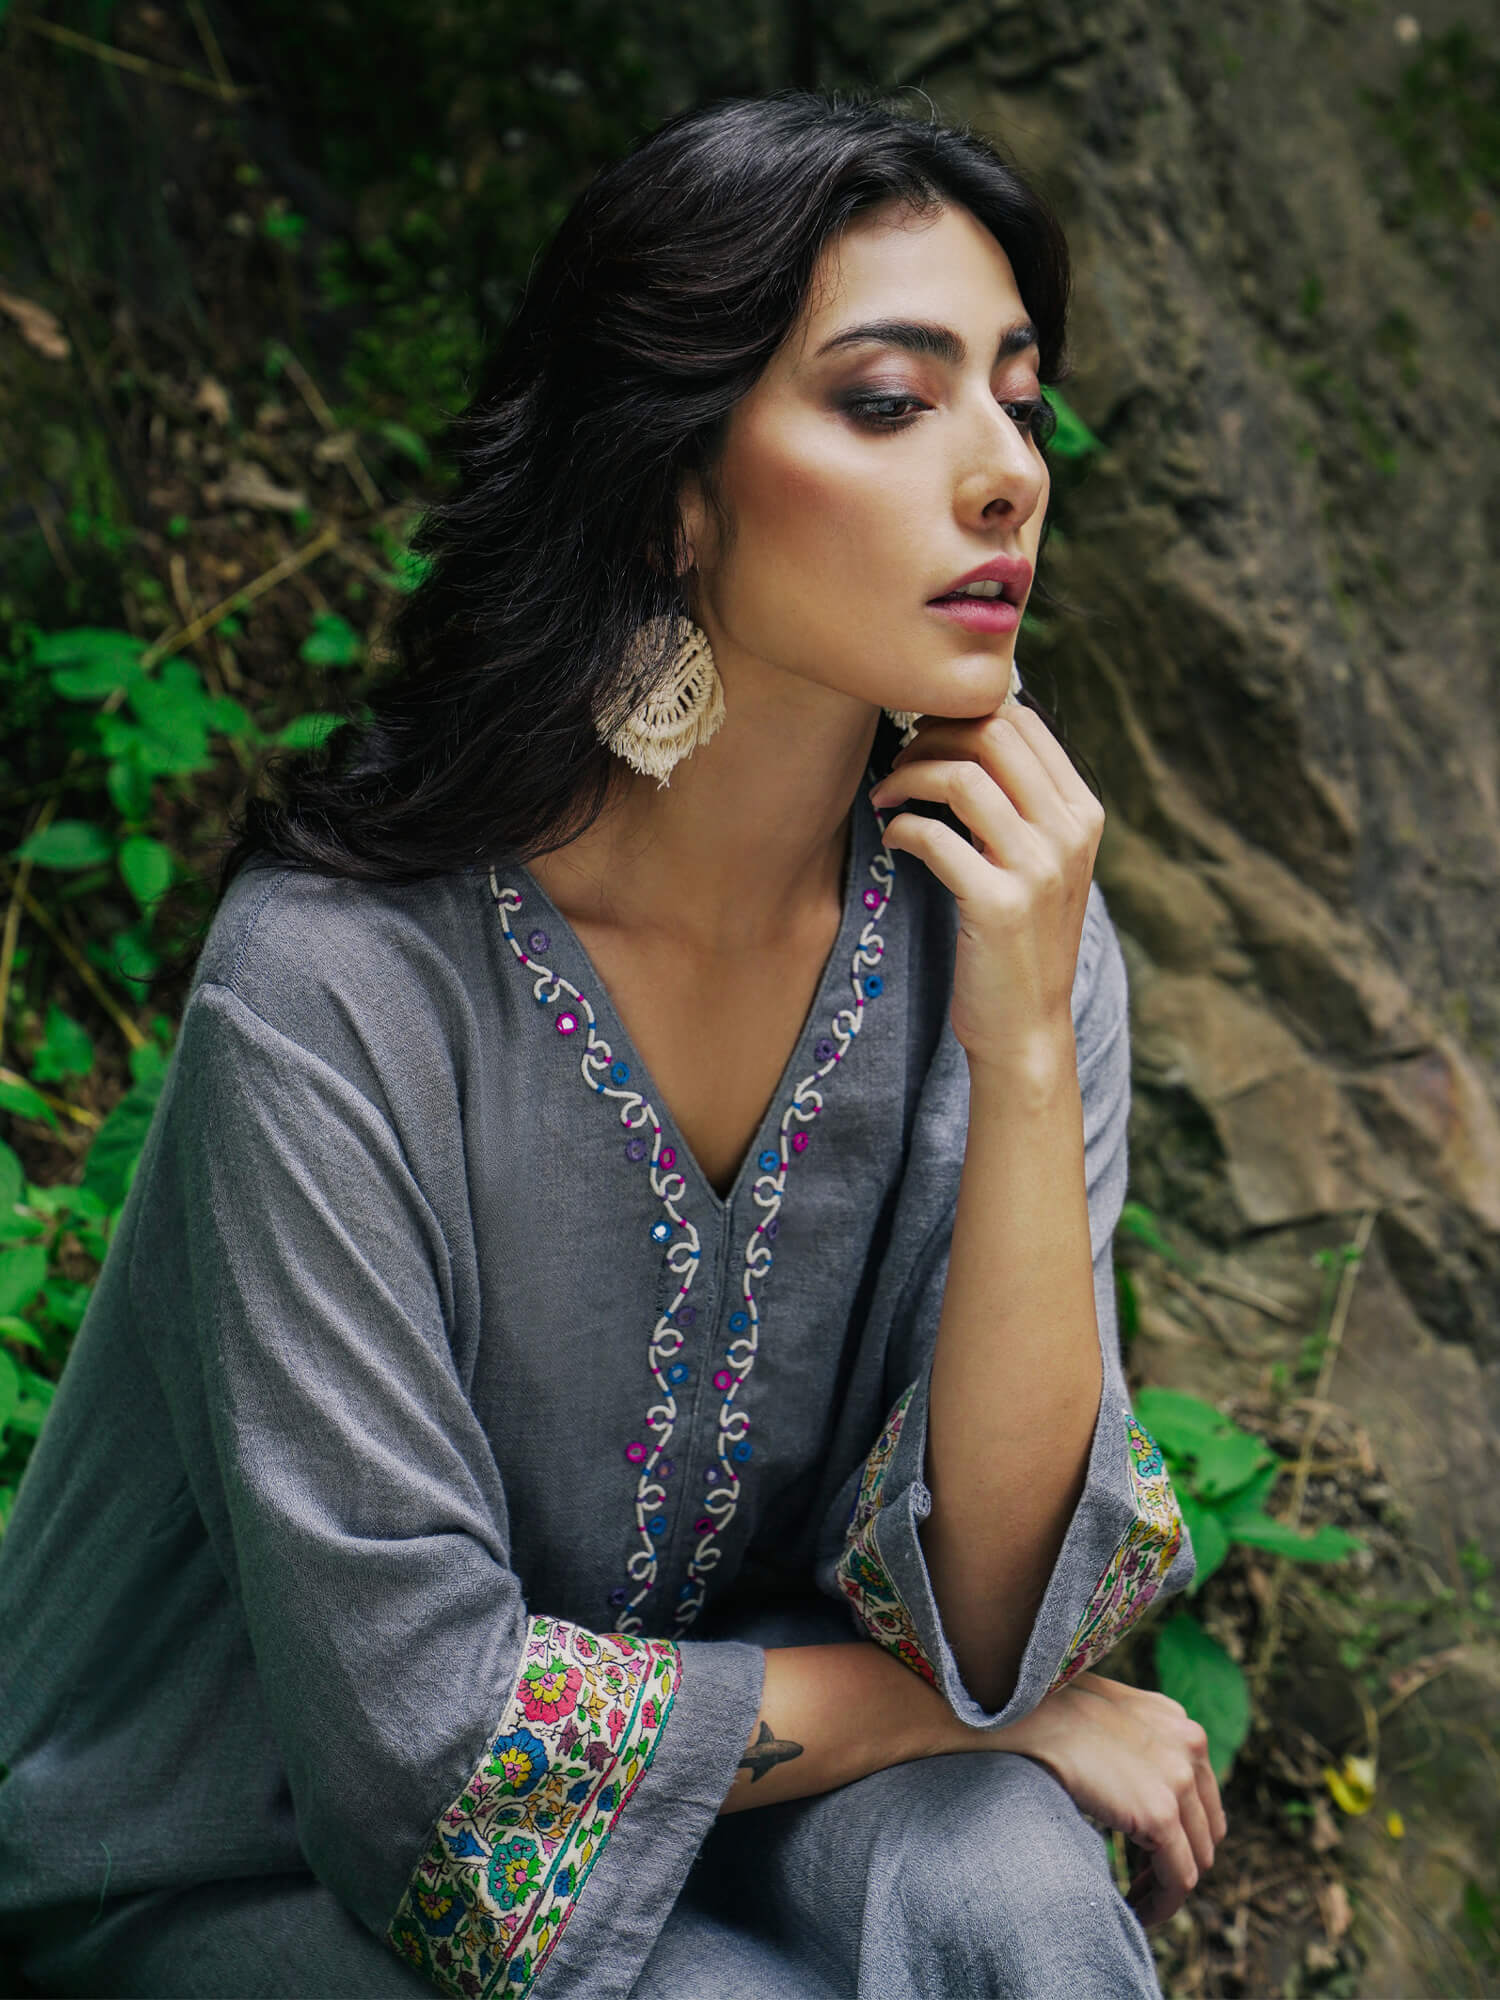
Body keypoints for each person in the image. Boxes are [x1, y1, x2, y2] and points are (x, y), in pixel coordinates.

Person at [0, 88, 1223, 2000]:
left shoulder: (1003, 939)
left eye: (1020, 399)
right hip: (237, 1860)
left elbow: (997, 1632)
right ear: (671, 488)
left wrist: (1029, 1054)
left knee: (1014, 1902)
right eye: (891, 402)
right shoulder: (335, 989)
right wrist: (955, 1719)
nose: (1007, 474)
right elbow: (423, 1759)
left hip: (735, 1790)